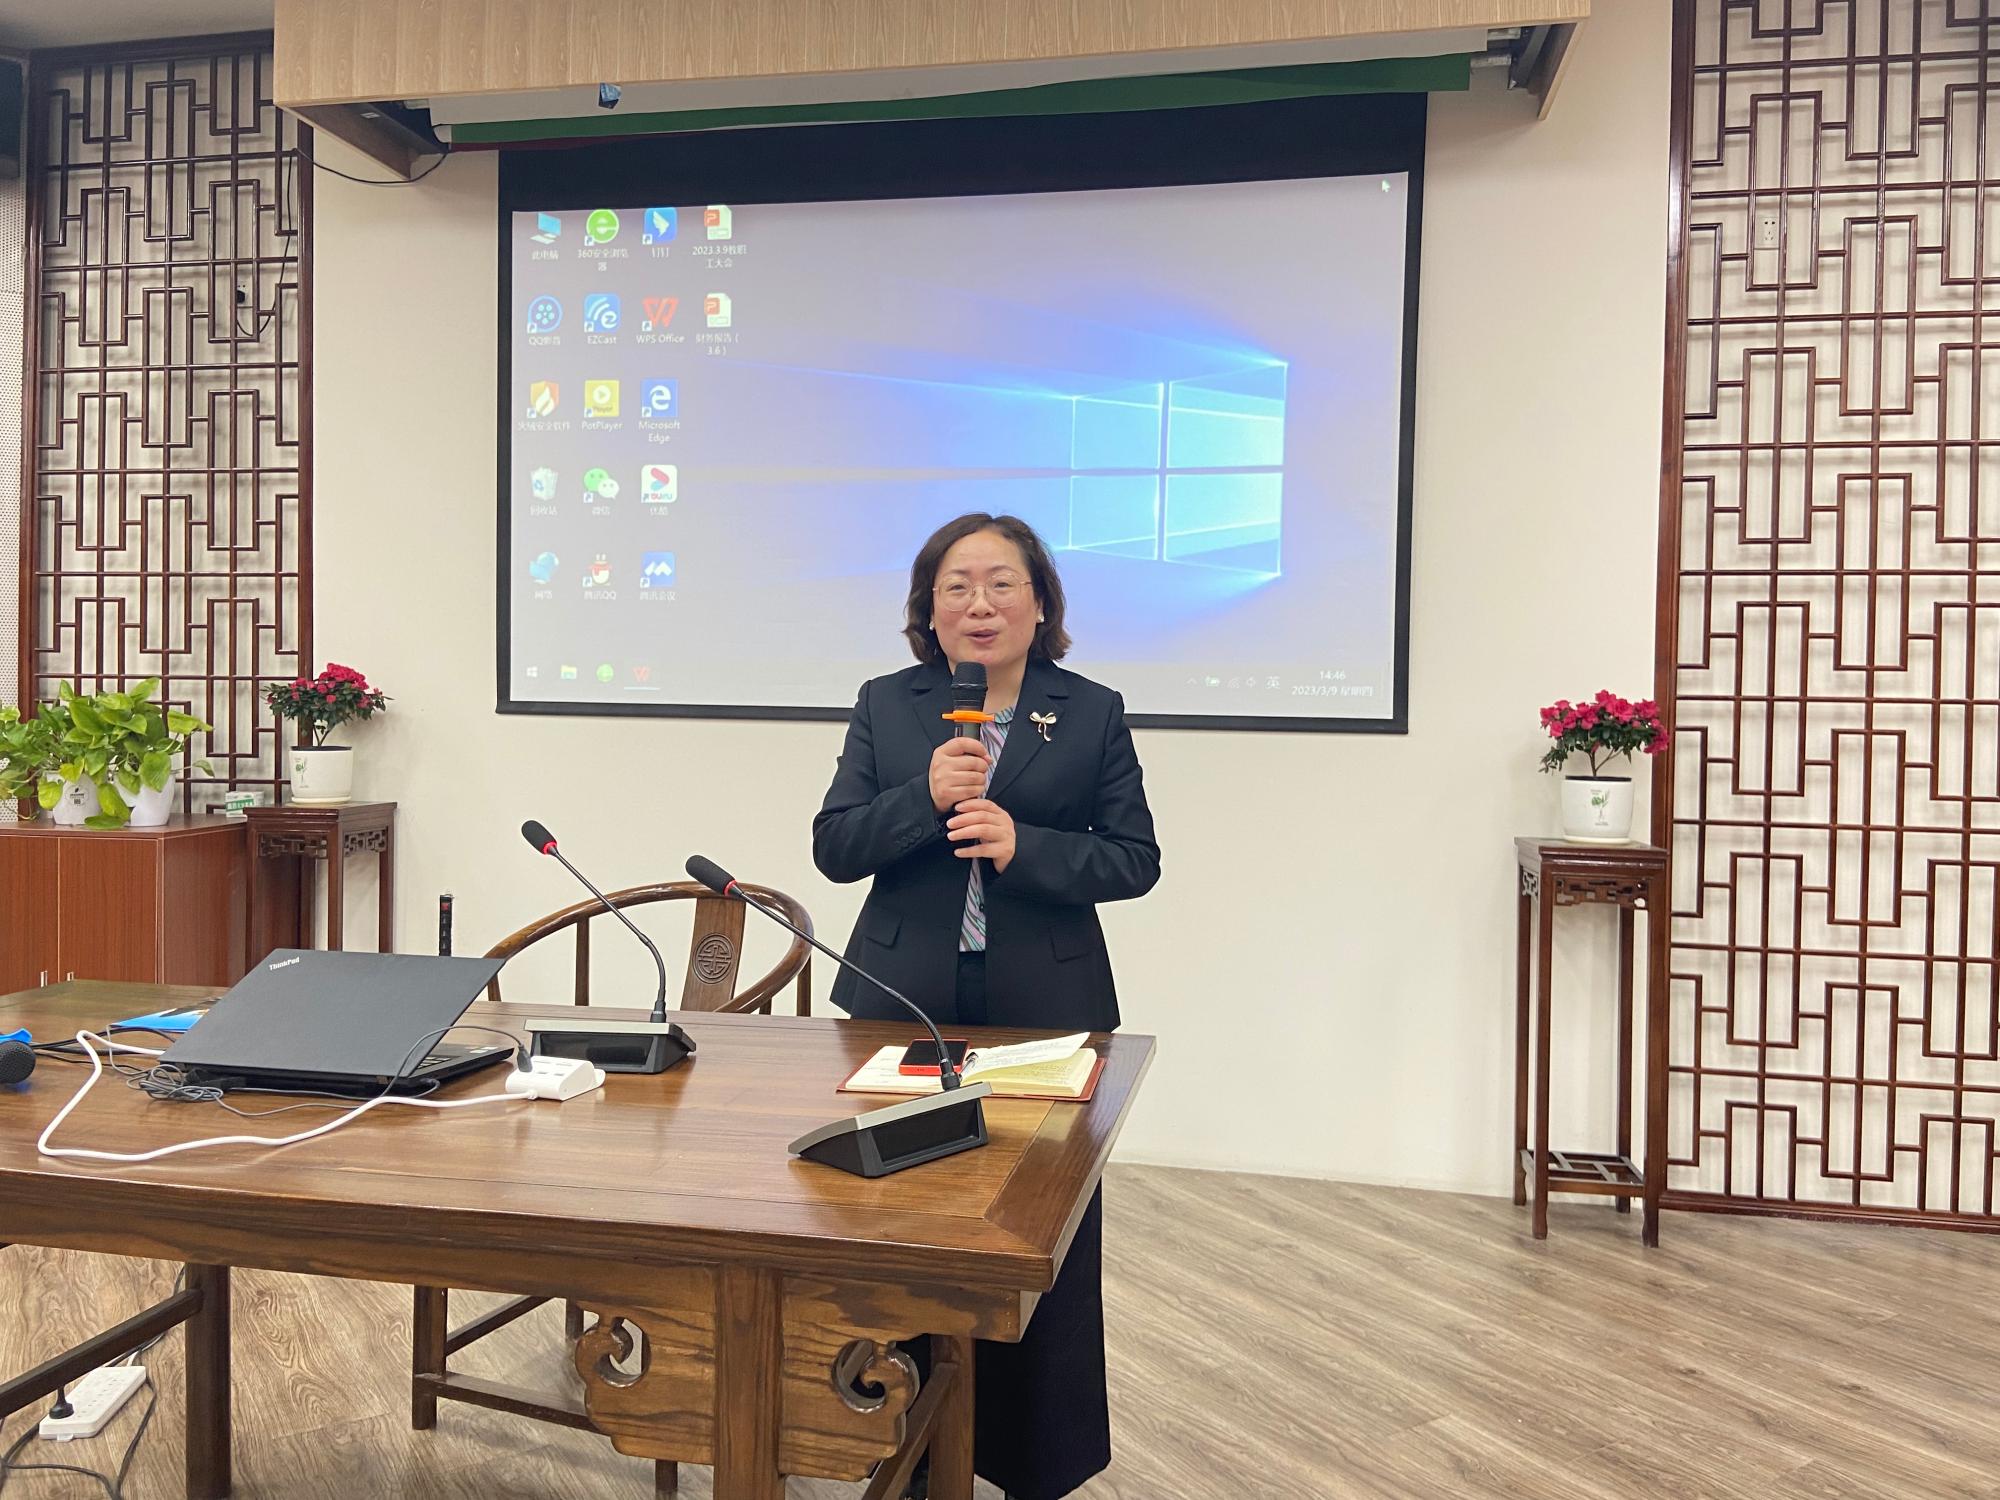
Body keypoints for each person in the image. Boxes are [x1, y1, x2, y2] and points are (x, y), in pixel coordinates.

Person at [813, 512, 1161, 1500]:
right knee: (897, 1225)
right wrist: (920, 797)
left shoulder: (1089, 711)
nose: (979, 604)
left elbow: (1134, 859)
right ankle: (899, 1446)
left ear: (1039, 603)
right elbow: (834, 847)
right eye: (956, 586)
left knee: (1031, 1235)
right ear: (928, 610)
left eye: (1001, 583)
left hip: (1044, 1009)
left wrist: (1026, 847)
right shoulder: (889, 704)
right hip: (900, 1002)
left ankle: (1033, 1460)